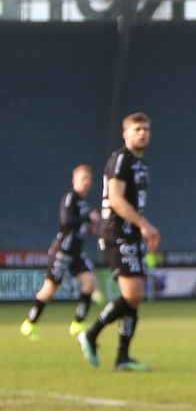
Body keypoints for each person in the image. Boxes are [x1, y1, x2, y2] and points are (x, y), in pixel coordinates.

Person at [77, 112, 160, 371]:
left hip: (131, 234)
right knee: (133, 294)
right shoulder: (121, 159)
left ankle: (123, 357)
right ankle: (90, 334)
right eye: (137, 129)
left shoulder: (141, 164)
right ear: (126, 134)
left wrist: (140, 229)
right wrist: (143, 224)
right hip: (116, 232)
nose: (143, 133)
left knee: (134, 298)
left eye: (146, 129)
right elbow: (115, 199)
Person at [20, 165, 100, 341]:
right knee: (50, 289)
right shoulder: (70, 197)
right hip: (62, 251)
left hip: (76, 252)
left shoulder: (84, 202)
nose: (86, 182)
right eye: (83, 178)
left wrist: (88, 229)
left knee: (90, 283)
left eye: (88, 179)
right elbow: (66, 221)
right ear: (74, 180)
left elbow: (78, 224)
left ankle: (77, 323)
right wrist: (88, 219)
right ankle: (29, 323)